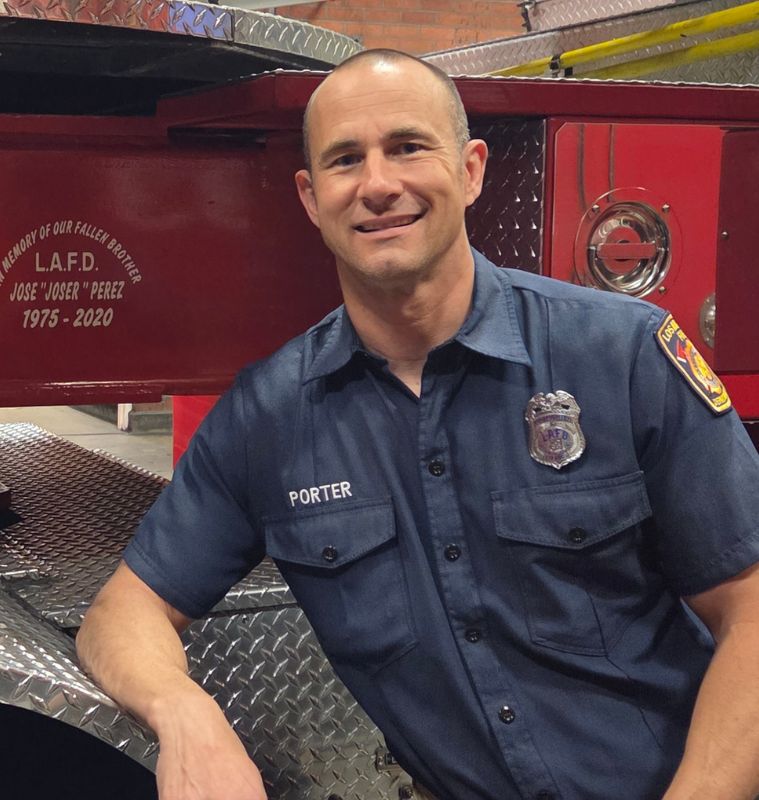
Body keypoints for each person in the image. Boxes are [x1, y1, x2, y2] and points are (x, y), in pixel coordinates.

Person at [77, 49, 759, 800]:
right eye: (345, 160)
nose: (377, 185)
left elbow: (749, 605)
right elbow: (121, 614)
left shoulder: (620, 355)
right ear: (310, 197)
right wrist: (184, 716)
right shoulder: (269, 417)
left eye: (406, 147)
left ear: (469, 170)